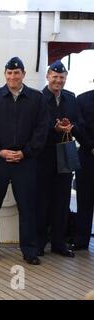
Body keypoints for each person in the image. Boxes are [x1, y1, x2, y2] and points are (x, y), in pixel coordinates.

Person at [0, 57, 48, 265]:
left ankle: (30, 251)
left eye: (16, 73)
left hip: (25, 162)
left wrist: (26, 152)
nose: (13, 77)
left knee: (27, 208)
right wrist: (0, 151)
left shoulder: (36, 99)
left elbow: (41, 129)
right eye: (9, 73)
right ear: (5, 74)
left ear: (23, 74)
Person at [36, 61, 83, 257]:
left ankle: (58, 243)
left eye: (62, 77)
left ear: (66, 78)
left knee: (62, 201)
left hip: (64, 154)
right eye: (55, 77)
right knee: (41, 201)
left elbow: (78, 122)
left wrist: (70, 127)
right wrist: (53, 129)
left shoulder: (71, 99)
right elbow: (35, 126)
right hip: (44, 155)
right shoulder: (38, 98)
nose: (58, 80)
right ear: (48, 77)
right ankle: (38, 244)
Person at [73, 87, 94, 251]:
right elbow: (78, 126)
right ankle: (81, 241)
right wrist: (91, 146)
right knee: (84, 200)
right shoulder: (81, 99)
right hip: (87, 156)